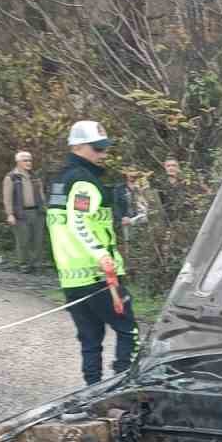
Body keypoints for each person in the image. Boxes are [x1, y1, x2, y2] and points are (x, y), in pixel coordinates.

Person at [46, 120, 138, 385]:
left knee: (90, 340)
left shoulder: (59, 181)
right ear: (77, 147)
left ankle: (92, 391)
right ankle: (122, 385)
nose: (103, 154)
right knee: (128, 331)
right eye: (97, 149)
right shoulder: (84, 182)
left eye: (104, 148)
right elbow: (79, 222)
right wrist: (100, 254)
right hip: (100, 275)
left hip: (71, 278)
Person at [2, 149, 46, 272]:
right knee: (23, 240)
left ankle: (36, 264)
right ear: (18, 162)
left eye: (30, 160)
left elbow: (42, 194)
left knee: (38, 240)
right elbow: (7, 198)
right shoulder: (11, 177)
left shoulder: (35, 176)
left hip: (37, 212)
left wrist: (45, 208)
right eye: (25, 160)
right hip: (21, 213)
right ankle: (24, 265)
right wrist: (10, 214)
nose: (28, 162)